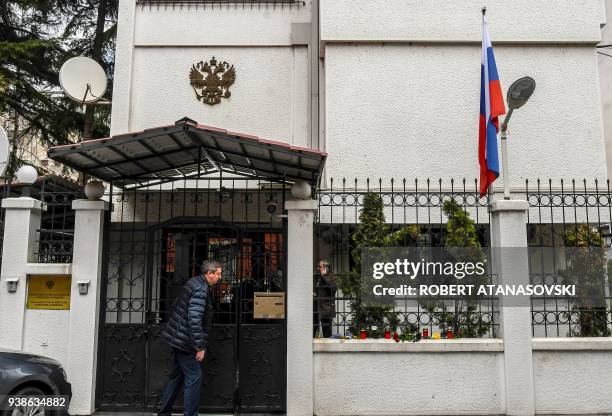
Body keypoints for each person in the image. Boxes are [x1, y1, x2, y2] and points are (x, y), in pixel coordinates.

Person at [157, 260, 222, 416]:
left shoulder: (193, 282)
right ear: (210, 273)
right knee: (194, 377)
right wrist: (199, 346)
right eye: (218, 274)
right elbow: (194, 319)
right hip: (185, 341)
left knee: (176, 376)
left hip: (178, 338)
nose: (220, 277)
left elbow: (176, 307)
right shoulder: (200, 288)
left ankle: (164, 412)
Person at [314, 259, 337, 338]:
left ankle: (328, 347)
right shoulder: (320, 278)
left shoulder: (330, 277)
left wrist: (324, 276)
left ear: (325, 268)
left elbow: (333, 288)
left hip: (326, 308)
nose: (318, 268)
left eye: (320, 267)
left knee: (327, 332)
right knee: (313, 329)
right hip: (317, 308)